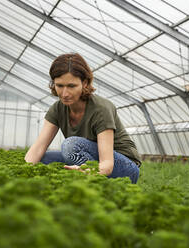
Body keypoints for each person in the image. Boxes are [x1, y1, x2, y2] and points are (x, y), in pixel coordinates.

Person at [24, 53, 141, 183]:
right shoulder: (57, 109)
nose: (65, 93)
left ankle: (92, 184)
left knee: (71, 145)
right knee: (42, 159)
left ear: (84, 83)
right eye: (59, 85)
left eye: (71, 86)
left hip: (125, 167)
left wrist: (88, 172)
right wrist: (23, 172)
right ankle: (83, 182)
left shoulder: (101, 109)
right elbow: (38, 147)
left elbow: (107, 164)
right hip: (93, 162)